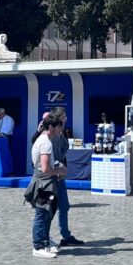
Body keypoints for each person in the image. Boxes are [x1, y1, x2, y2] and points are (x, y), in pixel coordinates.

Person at [24, 114, 67, 258]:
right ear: (51, 128)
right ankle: (38, 246)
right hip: (44, 183)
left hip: (46, 181)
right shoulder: (46, 143)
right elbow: (45, 168)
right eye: (58, 126)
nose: (60, 129)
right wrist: (59, 170)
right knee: (42, 213)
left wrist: (57, 166)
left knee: (47, 213)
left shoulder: (45, 140)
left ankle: (45, 242)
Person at [48, 106, 83, 247]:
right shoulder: (48, 135)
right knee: (47, 208)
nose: (66, 119)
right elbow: (44, 155)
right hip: (50, 176)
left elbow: (64, 149)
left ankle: (66, 236)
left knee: (64, 205)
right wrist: (57, 165)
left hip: (59, 175)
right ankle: (44, 238)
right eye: (63, 117)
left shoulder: (60, 134)